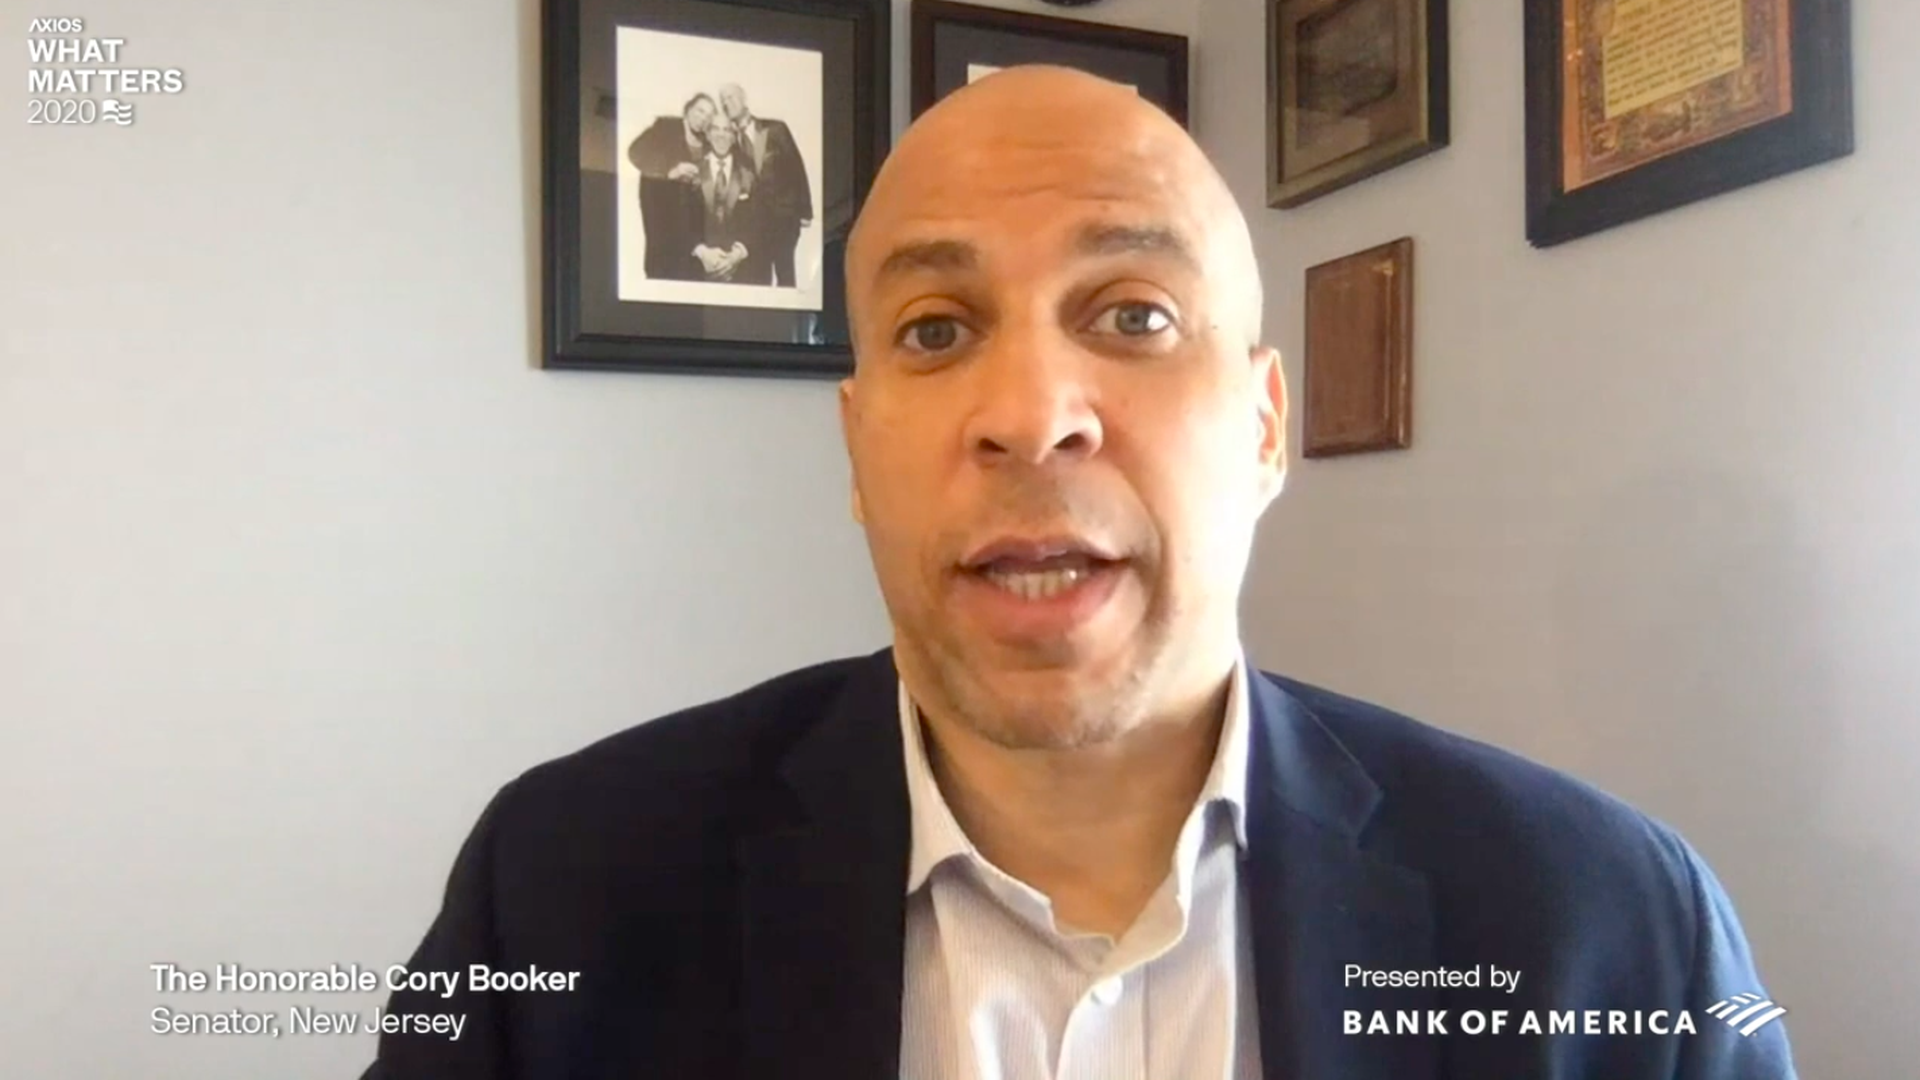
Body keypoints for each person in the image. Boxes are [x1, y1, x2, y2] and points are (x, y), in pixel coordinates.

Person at [360, 66, 1795, 1079]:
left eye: (1132, 311)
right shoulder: (558, 892)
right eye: (934, 330)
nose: (1032, 409)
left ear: (1264, 425)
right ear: (858, 452)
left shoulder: (1610, 928)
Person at [719, 82, 811, 287]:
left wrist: (806, 211)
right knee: (759, 278)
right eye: (723, 100)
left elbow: (796, 166)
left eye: (730, 97)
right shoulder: (729, 141)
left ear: (744, 100)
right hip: (755, 224)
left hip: (784, 217)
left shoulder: (775, 128)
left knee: (786, 276)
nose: (727, 103)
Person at [627, 93, 717, 282]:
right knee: (663, 272)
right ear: (688, 109)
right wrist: (671, 170)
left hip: (692, 230)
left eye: (709, 116)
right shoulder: (665, 126)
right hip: (663, 219)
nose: (703, 118)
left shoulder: (708, 144)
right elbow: (635, 152)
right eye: (700, 111)